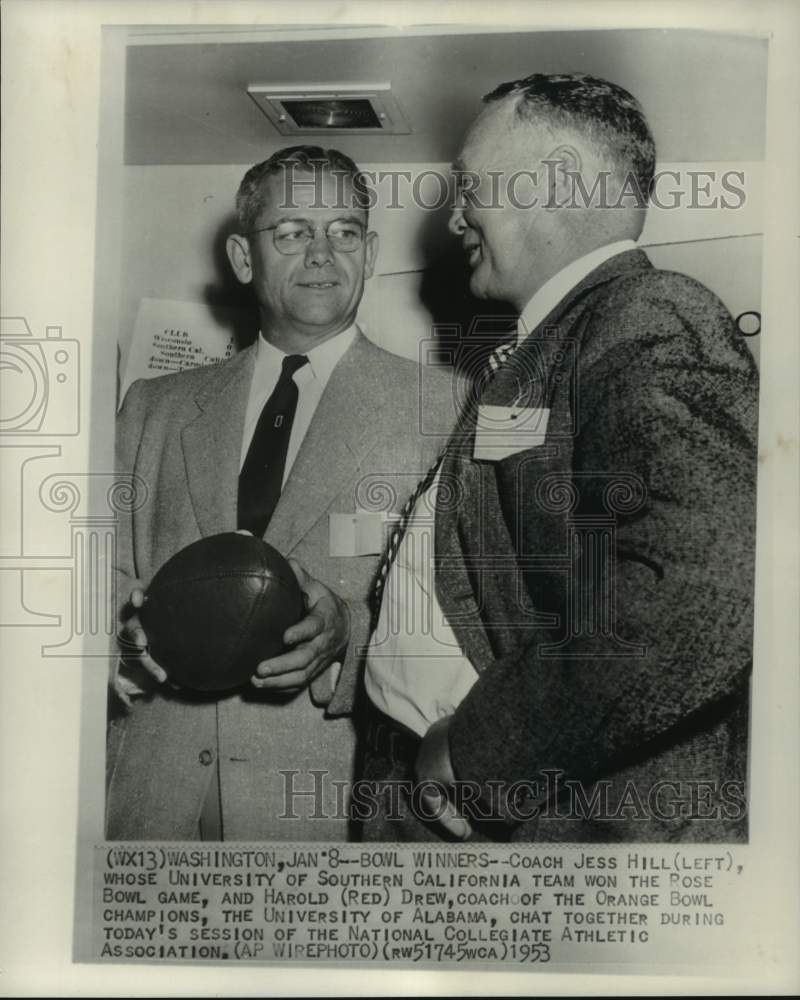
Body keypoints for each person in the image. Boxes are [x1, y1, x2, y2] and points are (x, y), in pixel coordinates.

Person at [358, 73, 759, 843]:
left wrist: (480, 756)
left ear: (562, 179)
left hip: (554, 827)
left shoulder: (646, 314)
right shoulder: (543, 351)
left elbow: (702, 591)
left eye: (470, 184)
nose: (453, 216)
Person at [106, 145, 453, 841]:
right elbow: (99, 573)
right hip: (150, 795)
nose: (323, 253)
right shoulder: (154, 406)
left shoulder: (446, 409)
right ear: (243, 258)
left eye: (345, 232)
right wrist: (123, 635)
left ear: (371, 251)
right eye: (293, 232)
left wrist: (348, 631)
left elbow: (467, 618)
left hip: (327, 803)